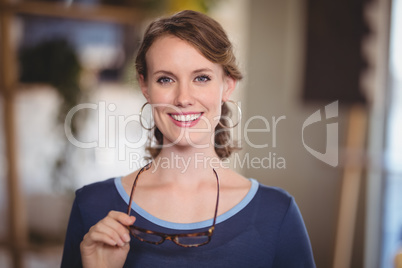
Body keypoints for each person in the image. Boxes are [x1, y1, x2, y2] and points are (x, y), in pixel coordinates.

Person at [61, 10, 316, 268]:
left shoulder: (277, 213)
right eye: (165, 79)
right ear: (145, 86)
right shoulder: (91, 206)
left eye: (201, 78)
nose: (183, 98)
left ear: (228, 85)